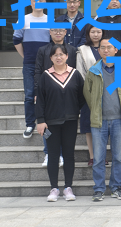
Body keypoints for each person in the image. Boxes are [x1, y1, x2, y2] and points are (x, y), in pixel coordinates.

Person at [83, 38, 121, 202]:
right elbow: (87, 94)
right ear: (99, 51)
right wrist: (97, 110)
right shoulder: (93, 71)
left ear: (115, 50)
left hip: (119, 120)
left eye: (109, 47)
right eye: (102, 47)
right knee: (98, 158)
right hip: (99, 121)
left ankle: (116, 187)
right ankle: (98, 189)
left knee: (118, 157)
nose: (106, 50)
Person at [35, 44, 86, 202]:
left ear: (67, 56)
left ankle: (68, 188)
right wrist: (40, 121)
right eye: (55, 55)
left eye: (61, 54)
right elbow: (40, 100)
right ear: (50, 58)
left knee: (69, 154)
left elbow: (82, 97)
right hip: (49, 124)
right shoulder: (45, 76)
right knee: (53, 155)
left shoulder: (75, 74)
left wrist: (73, 110)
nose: (59, 57)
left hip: (70, 121)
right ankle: (54, 188)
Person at [34, 28, 77, 167]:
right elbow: (38, 71)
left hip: (66, 94)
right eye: (54, 30)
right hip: (49, 94)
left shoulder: (72, 50)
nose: (58, 33)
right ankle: (48, 153)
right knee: (47, 126)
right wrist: (37, 92)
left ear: (65, 32)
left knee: (64, 128)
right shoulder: (43, 50)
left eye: (60, 30)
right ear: (50, 32)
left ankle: (62, 155)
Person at [13, 0, 50, 139]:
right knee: (29, 94)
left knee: (47, 93)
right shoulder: (23, 19)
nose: (38, 3)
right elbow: (16, 40)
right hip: (29, 63)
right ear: (30, 3)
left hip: (47, 63)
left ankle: (46, 121)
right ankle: (30, 124)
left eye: (41, 0)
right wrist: (25, 56)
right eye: (35, 0)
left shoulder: (50, 20)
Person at [76, 26, 105, 167]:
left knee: (104, 125)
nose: (96, 34)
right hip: (89, 92)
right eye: (93, 32)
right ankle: (93, 156)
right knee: (89, 125)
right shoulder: (82, 49)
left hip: (107, 91)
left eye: (99, 32)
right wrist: (87, 89)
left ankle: (102, 155)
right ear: (88, 33)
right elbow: (80, 71)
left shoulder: (109, 46)